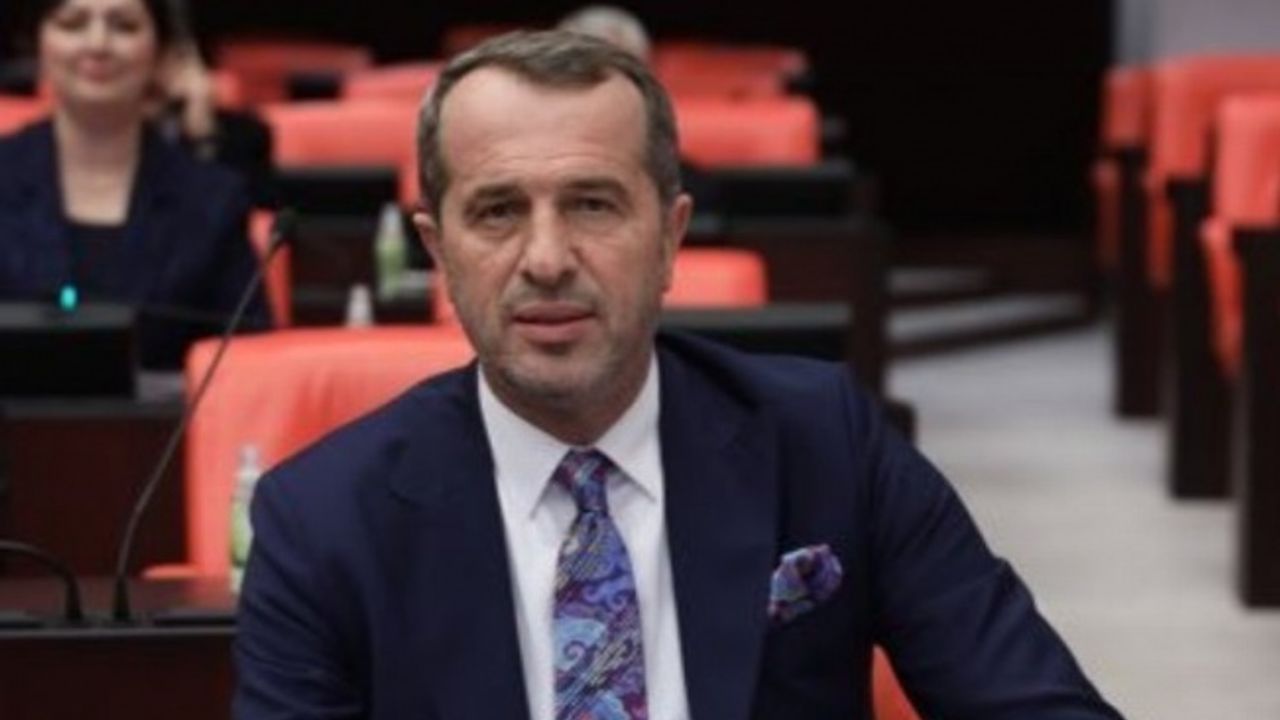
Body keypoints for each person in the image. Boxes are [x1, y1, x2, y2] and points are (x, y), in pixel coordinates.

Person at [235, 30, 1122, 719]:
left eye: (593, 204)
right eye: (498, 212)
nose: (546, 259)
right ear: (438, 251)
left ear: (670, 237)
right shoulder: (322, 519)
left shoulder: (826, 441)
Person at [0, 0, 270, 370]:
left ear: (160, 52)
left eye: (124, 26)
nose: (97, 44)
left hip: (174, 410)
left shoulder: (213, 200)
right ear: (38, 43)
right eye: (73, 24)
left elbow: (251, 365)